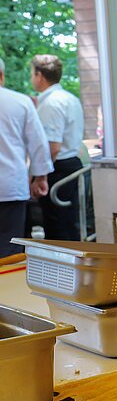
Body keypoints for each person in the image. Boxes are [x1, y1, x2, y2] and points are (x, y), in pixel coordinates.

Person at [0, 57, 53, 256]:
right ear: (2, 76)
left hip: (11, 187)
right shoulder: (21, 102)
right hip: (10, 187)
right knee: (10, 250)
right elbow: (38, 143)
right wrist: (41, 177)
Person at [30, 54, 85, 241]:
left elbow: (52, 147)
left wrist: (38, 176)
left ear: (39, 76)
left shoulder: (52, 103)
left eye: (32, 73)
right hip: (69, 164)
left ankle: (64, 269)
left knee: (58, 228)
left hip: (58, 169)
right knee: (69, 225)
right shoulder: (69, 98)